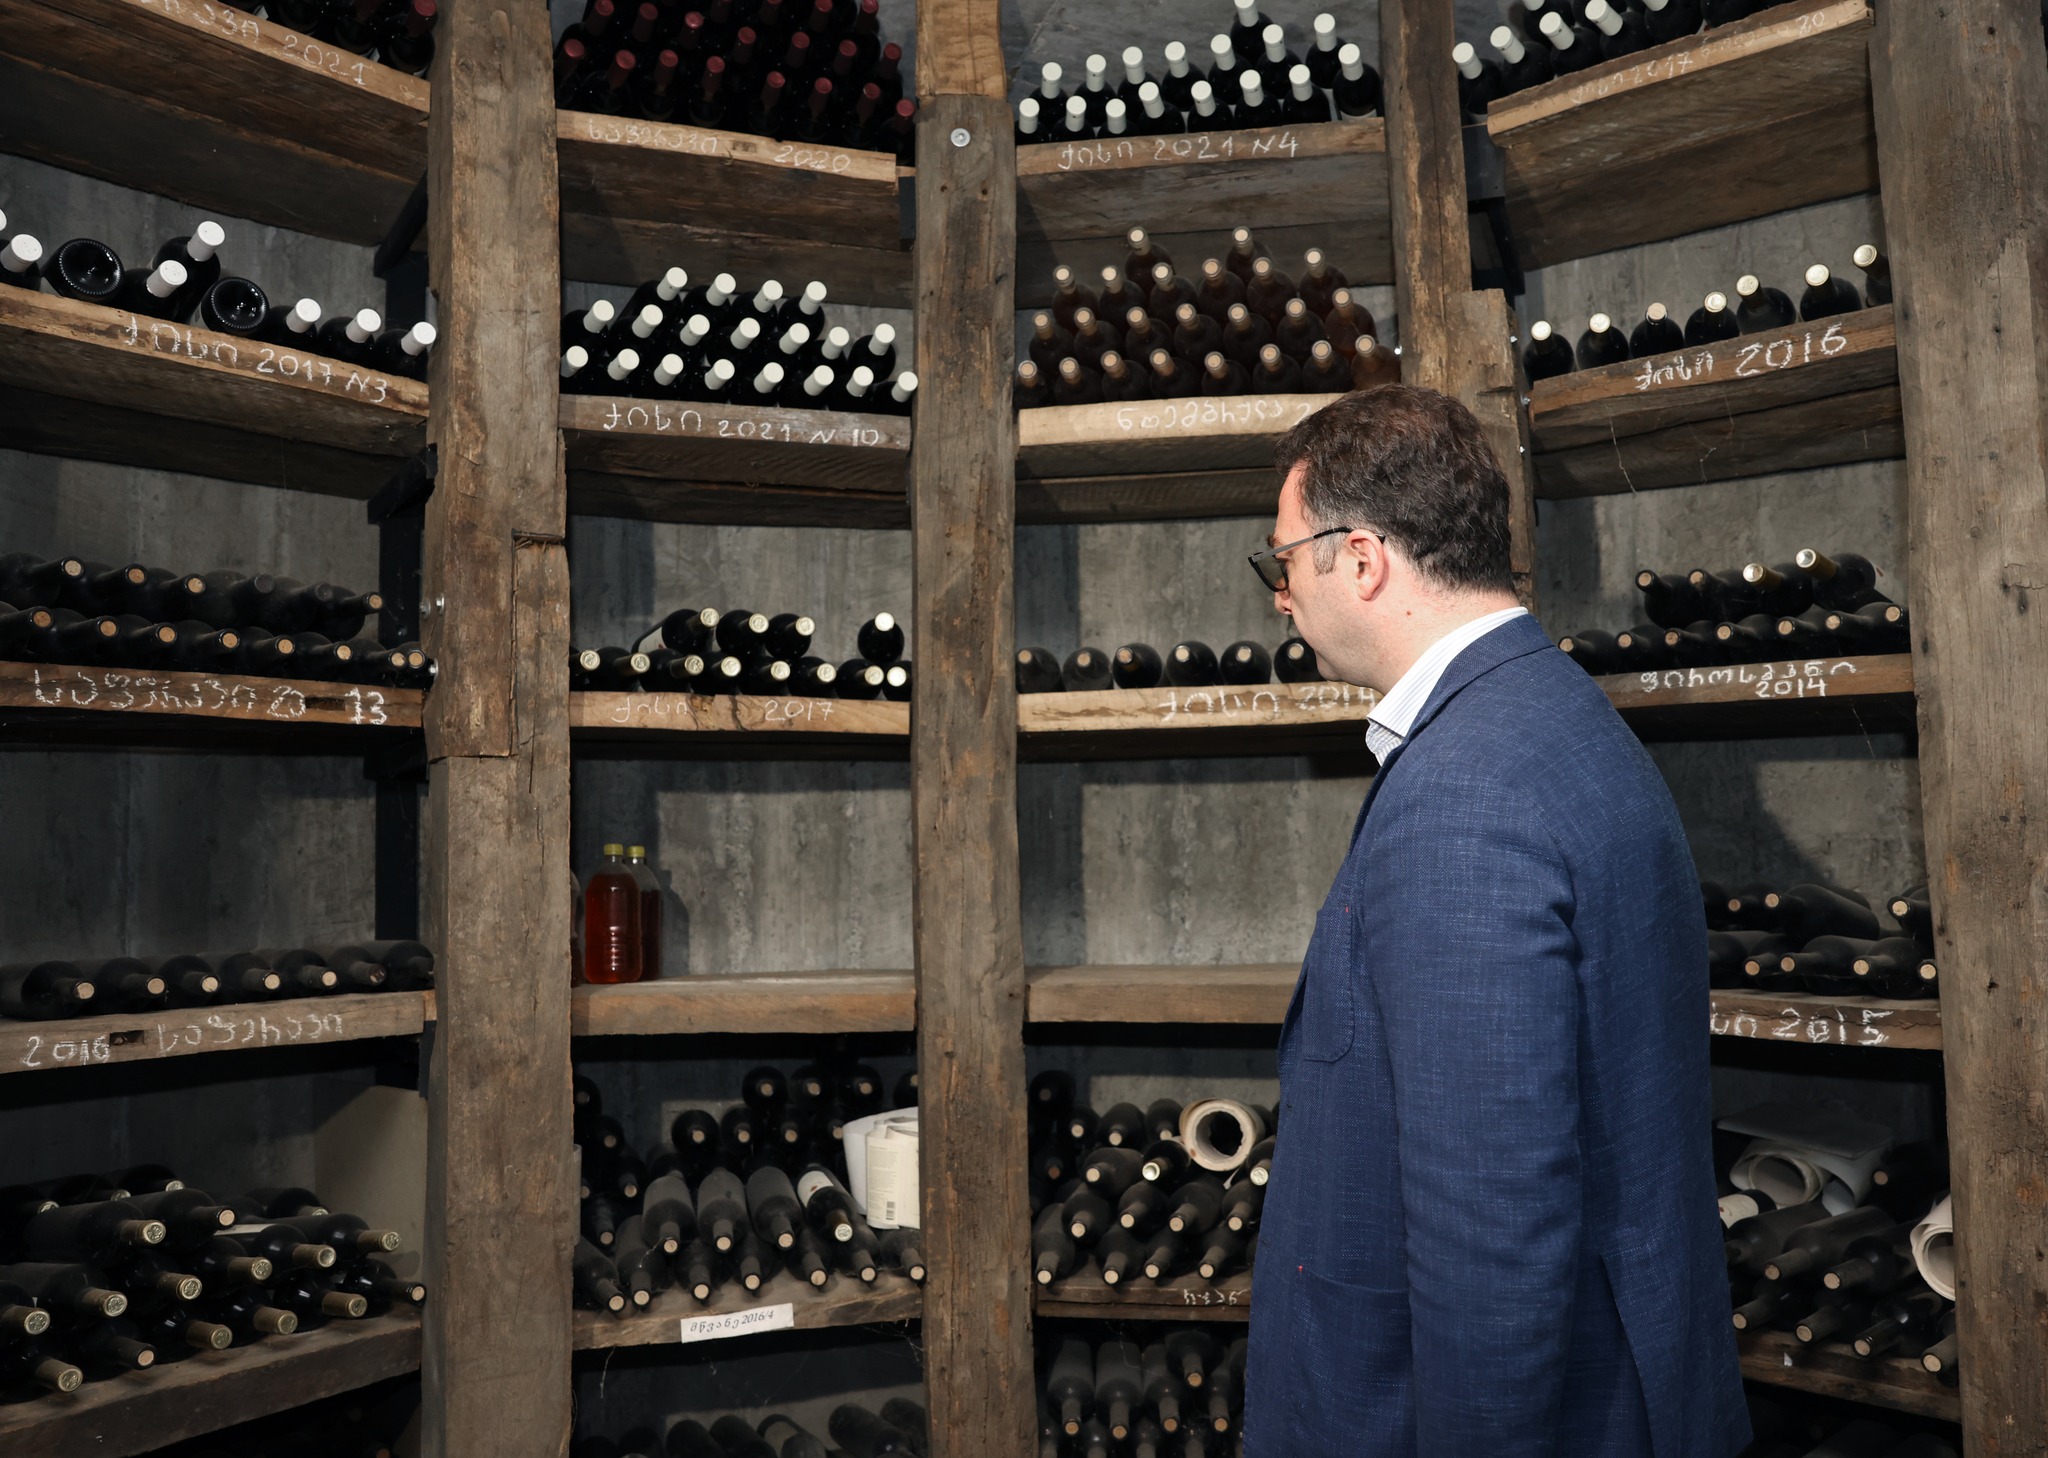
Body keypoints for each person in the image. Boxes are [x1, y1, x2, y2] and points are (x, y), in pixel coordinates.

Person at [1241, 386, 1748, 1458]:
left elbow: (1491, 1222)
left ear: (1360, 560)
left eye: (1282, 562)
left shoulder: (1463, 792)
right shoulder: (1549, 713)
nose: (1280, 597)